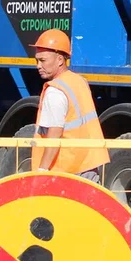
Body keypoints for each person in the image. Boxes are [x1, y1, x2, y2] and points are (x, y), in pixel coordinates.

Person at [31, 29, 110, 182]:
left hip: (64, 171)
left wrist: (42, 170)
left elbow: (54, 133)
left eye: (43, 60)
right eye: (37, 61)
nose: (38, 66)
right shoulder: (79, 81)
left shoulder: (55, 91)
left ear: (60, 60)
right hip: (87, 166)